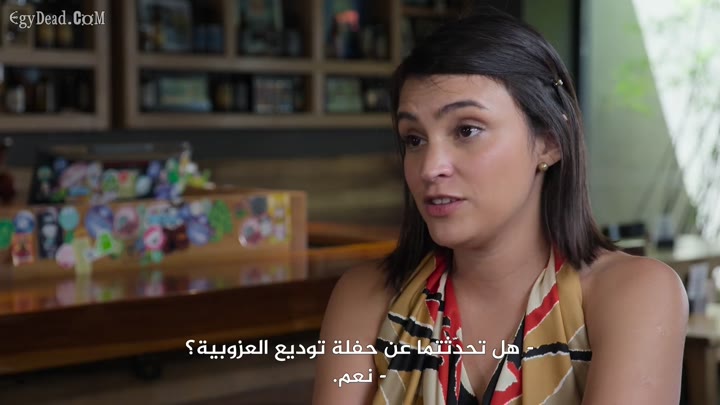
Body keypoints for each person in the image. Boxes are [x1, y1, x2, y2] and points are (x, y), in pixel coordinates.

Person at [313, 6, 688, 405]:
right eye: (414, 139)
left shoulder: (632, 294)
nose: (430, 168)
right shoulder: (366, 298)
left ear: (549, 141)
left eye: (467, 130)